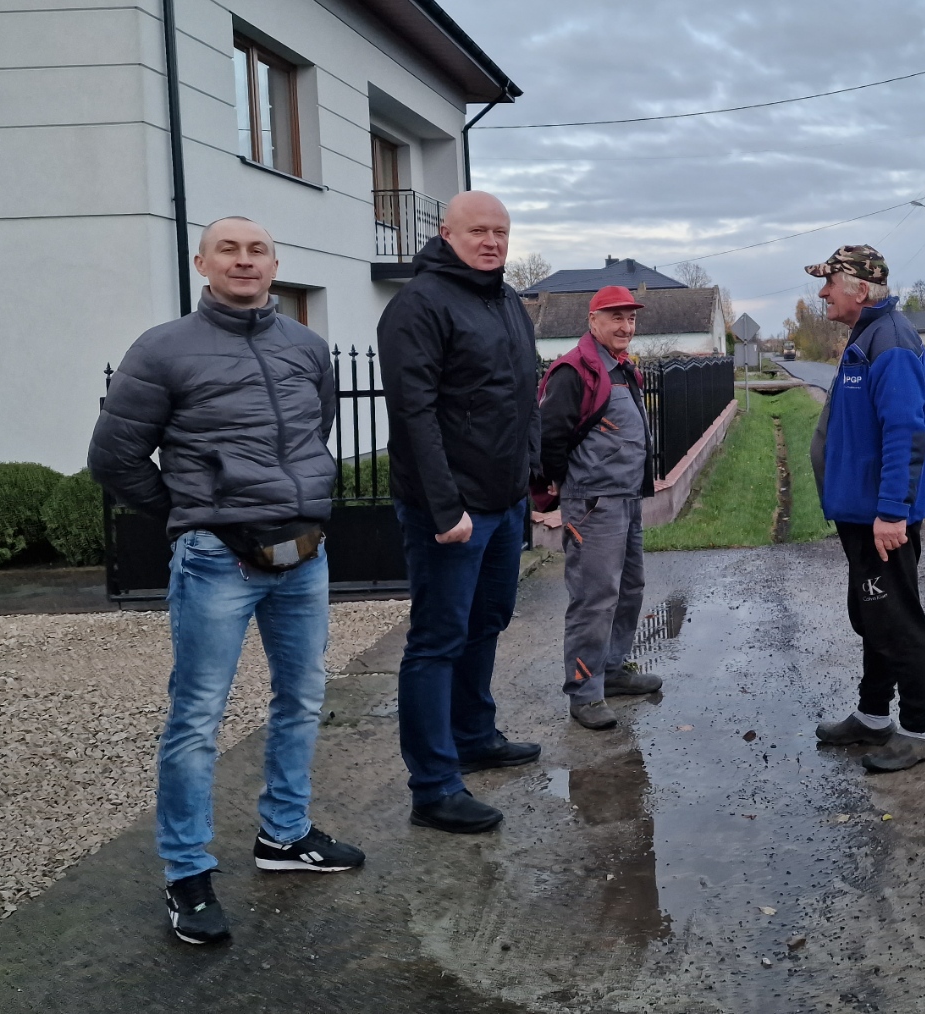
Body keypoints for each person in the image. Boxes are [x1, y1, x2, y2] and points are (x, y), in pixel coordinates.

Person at [88, 216, 363, 948]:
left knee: (302, 699)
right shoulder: (163, 349)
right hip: (216, 561)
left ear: (275, 264)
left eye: (258, 250)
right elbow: (114, 458)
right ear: (202, 263)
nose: (245, 260)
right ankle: (187, 872)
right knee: (197, 719)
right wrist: (194, 516)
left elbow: (314, 434)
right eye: (229, 250)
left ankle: (284, 834)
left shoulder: (306, 347)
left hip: (305, 555)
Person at [377, 191, 541, 836]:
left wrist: (529, 475)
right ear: (446, 233)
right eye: (478, 231)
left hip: (504, 502)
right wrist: (446, 509)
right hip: (451, 511)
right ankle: (434, 786)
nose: (491, 242)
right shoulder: (418, 305)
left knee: (487, 621)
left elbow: (523, 392)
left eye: (500, 232)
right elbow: (413, 414)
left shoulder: (507, 301)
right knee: (437, 640)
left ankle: (474, 736)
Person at [805, 245, 925, 772]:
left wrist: (891, 512)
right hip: (862, 514)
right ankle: (873, 715)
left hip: (880, 519)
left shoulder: (892, 342)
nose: (823, 292)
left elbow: (905, 433)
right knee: (874, 616)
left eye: (830, 283)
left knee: (897, 620)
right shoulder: (868, 336)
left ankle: (919, 731)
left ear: (861, 290)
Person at [536, 286, 661, 730]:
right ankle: (585, 693)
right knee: (594, 598)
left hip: (626, 499)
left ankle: (612, 669)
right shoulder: (574, 370)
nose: (626, 326)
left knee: (629, 588)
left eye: (631, 318)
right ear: (593, 321)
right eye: (616, 317)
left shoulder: (622, 368)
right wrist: (563, 487)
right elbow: (550, 435)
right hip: (592, 504)